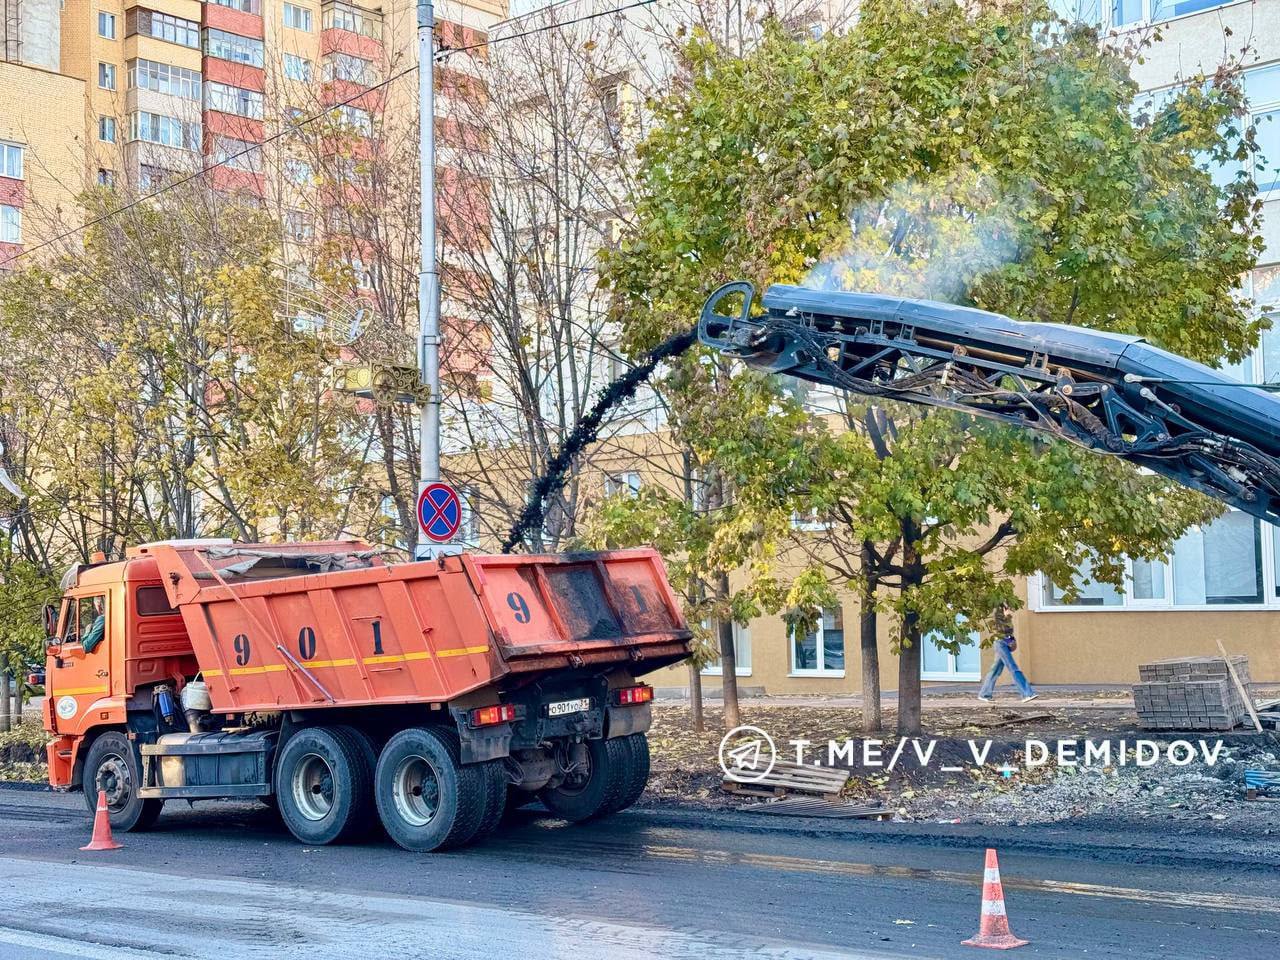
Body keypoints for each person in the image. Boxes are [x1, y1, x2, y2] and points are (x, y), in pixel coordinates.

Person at [977, 603, 1037, 703]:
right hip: (1000, 642)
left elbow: (1009, 631)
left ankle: (984, 694)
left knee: (995, 669)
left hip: (1004, 642)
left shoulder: (1004, 611)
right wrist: (1007, 616)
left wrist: (1012, 640)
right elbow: (1002, 630)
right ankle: (1027, 693)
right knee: (1013, 667)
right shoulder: (999, 613)